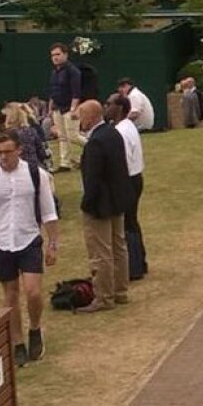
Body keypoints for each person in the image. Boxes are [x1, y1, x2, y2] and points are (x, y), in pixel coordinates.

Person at [0, 127, 59, 364]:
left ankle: (35, 329)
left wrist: (53, 244)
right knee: (10, 295)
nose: (3, 157)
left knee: (33, 292)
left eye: (7, 152)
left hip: (28, 239)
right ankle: (18, 342)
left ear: (19, 150)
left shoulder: (36, 174)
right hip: (0, 242)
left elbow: (49, 212)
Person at [76, 97, 131, 312]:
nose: (79, 121)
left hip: (100, 205)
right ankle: (120, 291)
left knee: (101, 253)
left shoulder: (95, 142)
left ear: (90, 117)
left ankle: (104, 297)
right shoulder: (113, 134)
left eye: (81, 116)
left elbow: (92, 179)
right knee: (119, 247)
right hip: (117, 200)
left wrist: (87, 204)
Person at [106, 91, 147, 280]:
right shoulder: (128, 126)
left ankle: (134, 267)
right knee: (132, 222)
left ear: (120, 108)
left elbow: (124, 160)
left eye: (109, 104)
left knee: (127, 225)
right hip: (135, 177)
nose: (106, 107)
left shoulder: (121, 131)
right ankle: (140, 263)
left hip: (128, 179)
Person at [47, 44, 83, 171]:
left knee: (73, 136)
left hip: (69, 108)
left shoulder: (73, 71)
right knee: (62, 136)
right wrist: (50, 108)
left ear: (65, 54)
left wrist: (73, 109)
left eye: (58, 54)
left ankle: (93, 145)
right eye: (53, 55)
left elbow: (76, 92)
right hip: (58, 108)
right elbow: (53, 91)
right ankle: (65, 163)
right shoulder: (54, 72)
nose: (55, 57)